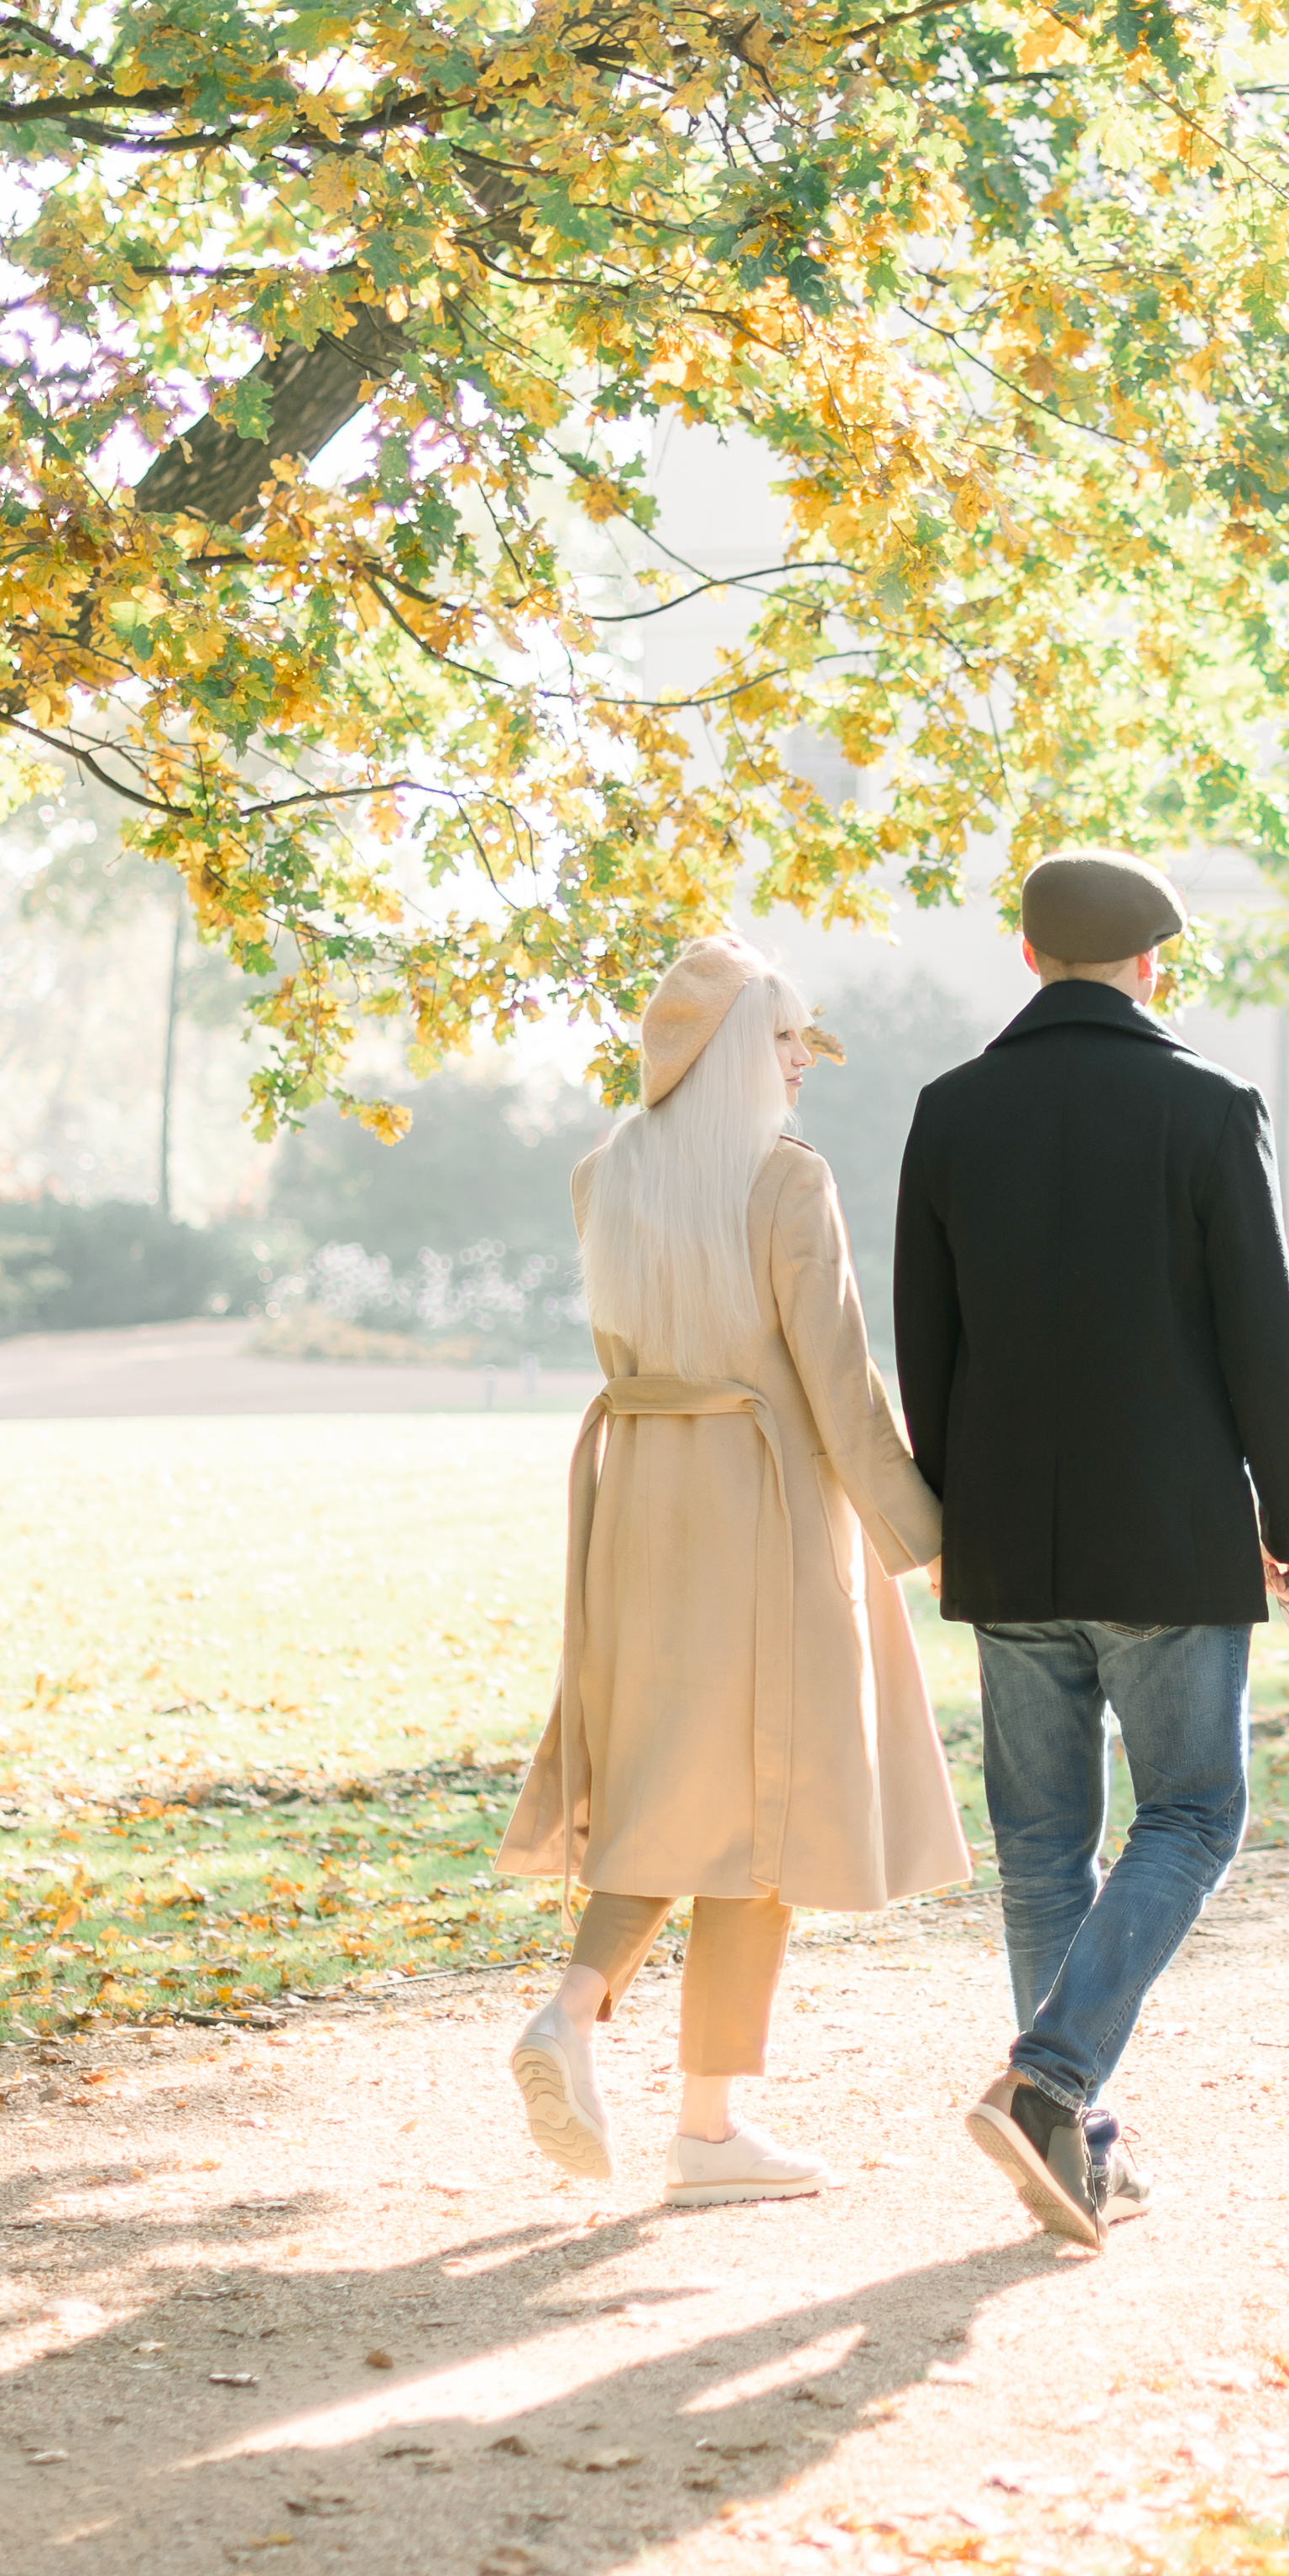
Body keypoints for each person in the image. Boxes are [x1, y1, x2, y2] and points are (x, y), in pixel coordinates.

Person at [494, 934, 966, 2208]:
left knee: (670, 1785)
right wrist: (919, 1530)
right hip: (765, 1505)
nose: (802, 1056)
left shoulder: (606, 1176)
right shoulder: (783, 1181)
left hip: (640, 1507)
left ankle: (580, 2012)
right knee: (769, 1808)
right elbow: (837, 1373)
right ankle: (703, 2127)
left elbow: (621, 1348)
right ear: (723, 1053)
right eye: (779, 1036)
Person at [894, 848, 1289, 2250]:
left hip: (1011, 1536)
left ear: (1027, 961)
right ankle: (1051, 2083)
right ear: (1157, 963)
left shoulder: (948, 1113)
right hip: (1173, 1530)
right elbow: (1260, 1329)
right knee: (1195, 1814)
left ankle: (1074, 2142)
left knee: (1039, 1847)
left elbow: (929, 1346)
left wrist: (956, 1521)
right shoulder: (1207, 1107)